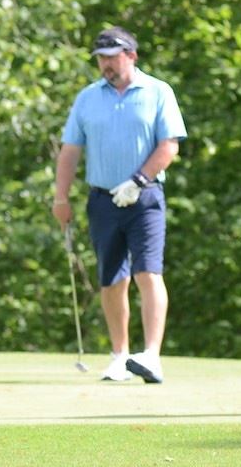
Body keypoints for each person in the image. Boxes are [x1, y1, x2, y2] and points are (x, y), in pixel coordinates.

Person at [51, 27, 187, 384]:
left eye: (112, 56)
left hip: (145, 198)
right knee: (112, 279)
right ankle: (120, 355)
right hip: (102, 199)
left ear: (131, 56)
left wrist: (138, 180)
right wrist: (61, 198)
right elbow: (70, 152)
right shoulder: (87, 98)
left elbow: (169, 146)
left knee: (148, 272)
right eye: (101, 58)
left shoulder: (158, 92)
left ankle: (152, 356)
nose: (106, 64)